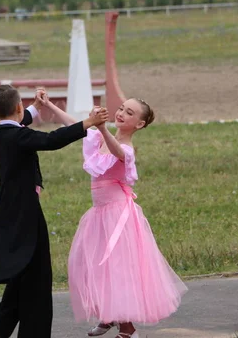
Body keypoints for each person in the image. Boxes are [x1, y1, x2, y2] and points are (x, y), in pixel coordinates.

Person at [42, 95, 187, 338]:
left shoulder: (125, 148)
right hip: (99, 215)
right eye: (121, 108)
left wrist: (101, 128)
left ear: (139, 124)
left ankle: (128, 327)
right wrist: (49, 105)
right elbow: (76, 125)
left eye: (129, 113)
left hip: (118, 216)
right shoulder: (100, 136)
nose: (121, 113)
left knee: (118, 269)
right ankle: (109, 315)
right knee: (96, 268)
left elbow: (118, 151)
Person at [0, 85, 108, 338]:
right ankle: (30, 330)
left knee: (25, 270)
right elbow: (51, 140)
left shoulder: (5, 132)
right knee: (38, 274)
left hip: (14, 211)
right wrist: (88, 122)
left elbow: (21, 120)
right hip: (25, 214)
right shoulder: (19, 137)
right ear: (18, 107)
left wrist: (37, 107)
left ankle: (1, 324)